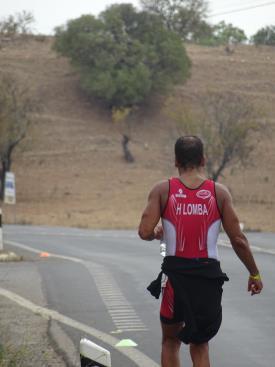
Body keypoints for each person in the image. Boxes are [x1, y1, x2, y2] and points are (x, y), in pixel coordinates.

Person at [138, 136, 263, 367]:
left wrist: (158, 231)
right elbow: (238, 240)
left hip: (175, 277)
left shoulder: (163, 190)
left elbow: (144, 232)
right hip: (207, 278)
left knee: (170, 341)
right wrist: (254, 273)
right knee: (200, 344)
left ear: (176, 161)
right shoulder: (220, 193)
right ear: (203, 160)